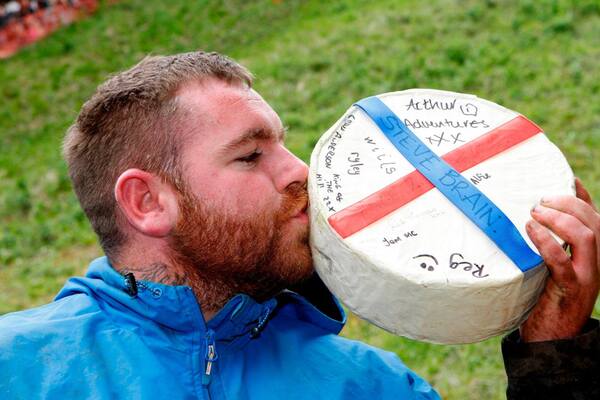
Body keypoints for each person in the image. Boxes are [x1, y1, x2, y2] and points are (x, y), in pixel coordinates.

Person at [0, 51, 598, 399]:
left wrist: (555, 355)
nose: (300, 172)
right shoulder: (19, 369)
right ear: (148, 203)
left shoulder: (369, 387)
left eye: (284, 145)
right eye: (250, 155)